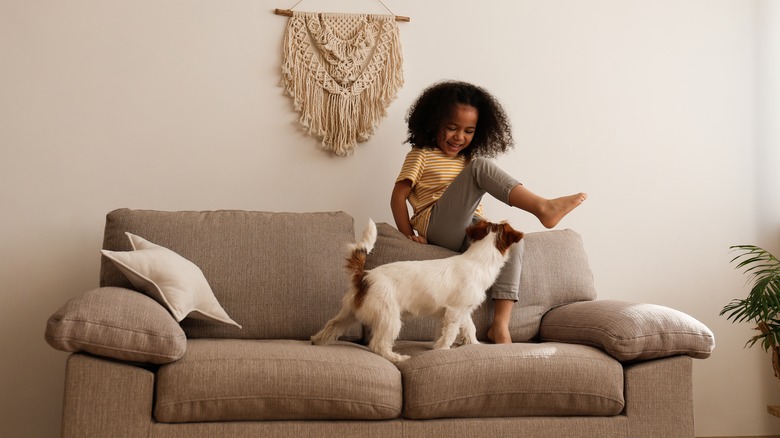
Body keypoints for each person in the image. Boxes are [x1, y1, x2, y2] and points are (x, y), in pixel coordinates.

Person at [390, 80, 587, 344]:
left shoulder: (467, 161)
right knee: (481, 167)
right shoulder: (422, 155)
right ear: (434, 122)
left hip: (470, 227)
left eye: (469, 131)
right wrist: (408, 235)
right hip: (436, 223)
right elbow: (398, 198)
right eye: (451, 128)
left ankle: (500, 326)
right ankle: (543, 207)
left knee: (512, 244)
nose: (459, 137)